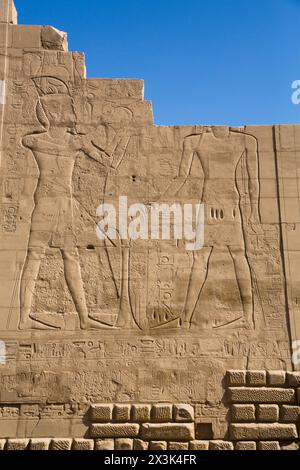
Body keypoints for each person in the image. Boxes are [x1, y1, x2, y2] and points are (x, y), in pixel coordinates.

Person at [19, 77, 116, 330]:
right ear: (54, 112)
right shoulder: (71, 142)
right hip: (53, 203)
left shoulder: (39, 140)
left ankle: (80, 317)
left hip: (54, 202)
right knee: (44, 256)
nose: (71, 112)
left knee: (50, 256)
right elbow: (106, 161)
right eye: (66, 108)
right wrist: (91, 141)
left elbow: (105, 162)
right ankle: (29, 317)